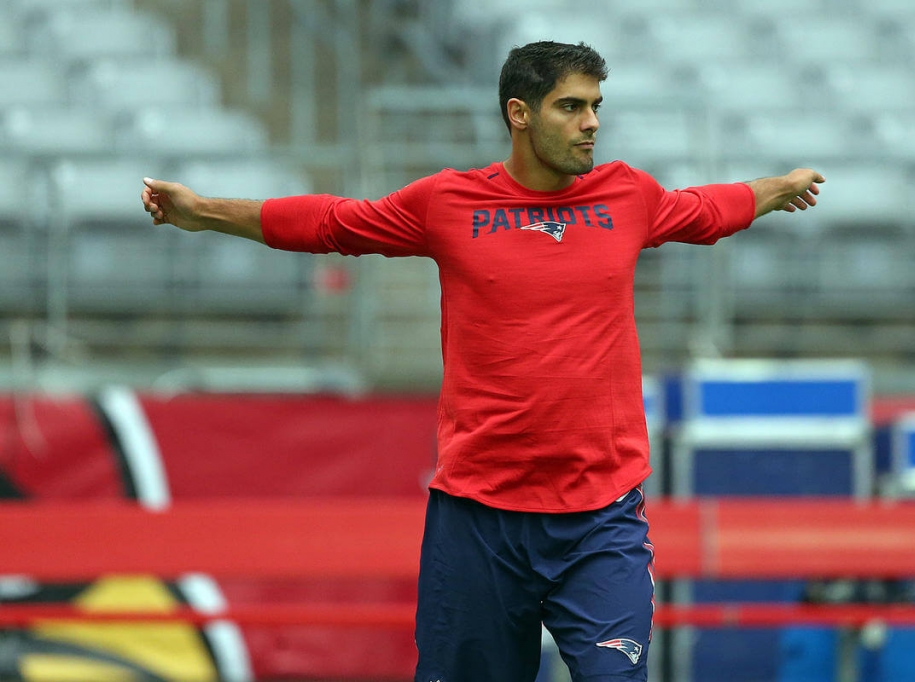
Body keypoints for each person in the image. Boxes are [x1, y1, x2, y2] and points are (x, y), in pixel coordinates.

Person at [141, 40, 823, 682]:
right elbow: (331, 222)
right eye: (572, 106)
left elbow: (709, 208)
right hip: (479, 519)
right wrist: (202, 211)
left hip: (600, 519)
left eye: (595, 107)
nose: (591, 123)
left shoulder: (628, 195)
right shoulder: (447, 202)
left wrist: (778, 185)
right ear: (519, 115)